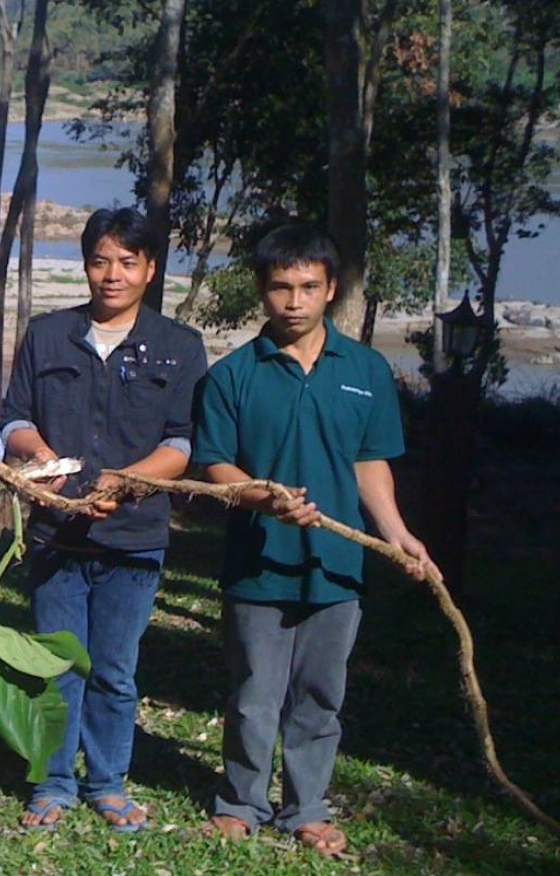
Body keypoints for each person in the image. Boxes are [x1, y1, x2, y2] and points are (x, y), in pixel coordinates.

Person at [192, 223, 439, 858]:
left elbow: (370, 463)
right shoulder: (232, 376)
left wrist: (397, 534)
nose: (294, 301)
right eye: (281, 287)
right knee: (254, 695)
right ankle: (242, 801)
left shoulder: (365, 371)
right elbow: (216, 467)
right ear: (261, 291)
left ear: (331, 289)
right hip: (258, 563)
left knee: (321, 696)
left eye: (308, 287)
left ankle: (306, 807)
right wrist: (264, 497)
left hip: (336, 563)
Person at [1, 207, 208, 832]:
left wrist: (125, 482)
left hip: (134, 539)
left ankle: (108, 783)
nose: (111, 275)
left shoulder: (180, 347)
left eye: (126, 262)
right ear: (86, 265)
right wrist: (43, 463)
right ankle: (53, 781)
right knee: (57, 665)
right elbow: (14, 418)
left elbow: (183, 442)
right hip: (56, 534)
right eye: (99, 261)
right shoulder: (47, 335)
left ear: (149, 269)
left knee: (115, 670)